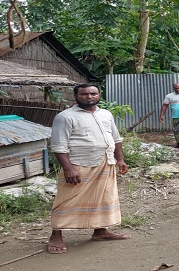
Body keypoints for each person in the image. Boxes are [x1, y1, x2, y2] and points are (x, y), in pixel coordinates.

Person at [47, 84, 130, 254]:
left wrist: (120, 159)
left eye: (93, 93)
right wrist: (68, 169)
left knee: (103, 197)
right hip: (79, 164)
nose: (89, 96)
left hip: (106, 162)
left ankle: (100, 231)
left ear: (99, 95)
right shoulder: (65, 117)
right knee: (67, 199)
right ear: (76, 96)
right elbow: (58, 146)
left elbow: (116, 138)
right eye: (84, 94)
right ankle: (56, 235)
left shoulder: (105, 114)